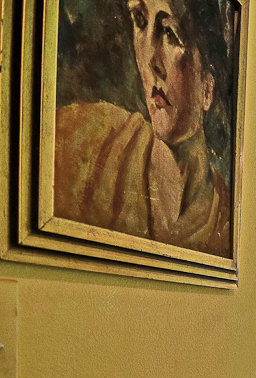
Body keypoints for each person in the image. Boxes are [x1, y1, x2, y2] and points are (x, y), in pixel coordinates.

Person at [53, 0, 233, 257]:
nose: (150, 60)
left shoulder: (226, 222)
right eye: (139, 21)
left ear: (207, 88)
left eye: (170, 33)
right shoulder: (90, 139)